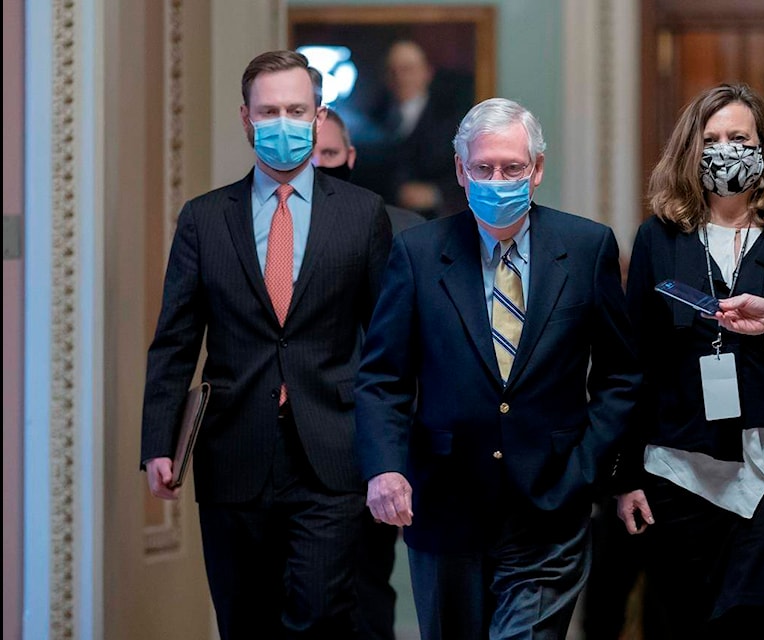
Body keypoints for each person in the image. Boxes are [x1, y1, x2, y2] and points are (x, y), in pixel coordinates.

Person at [354, 97, 642, 640]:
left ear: (537, 169)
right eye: (483, 168)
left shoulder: (585, 247)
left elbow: (619, 374)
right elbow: (383, 377)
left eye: (512, 167)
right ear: (461, 171)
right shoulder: (418, 253)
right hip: (446, 503)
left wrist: (588, 465)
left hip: (551, 504)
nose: (498, 179)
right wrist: (385, 467)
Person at [139, 50, 392, 638]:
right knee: (244, 620)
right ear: (247, 119)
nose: (283, 121)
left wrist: (392, 456)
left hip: (333, 451)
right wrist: (159, 443)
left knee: (321, 616)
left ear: (318, 115)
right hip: (233, 452)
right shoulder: (204, 219)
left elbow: (386, 348)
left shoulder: (362, 214)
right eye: (269, 110)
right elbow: (175, 341)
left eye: (296, 109)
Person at [613, 83, 764, 638]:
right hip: (680, 464)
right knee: (688, 621)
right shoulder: (658, 239)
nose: (726, 149)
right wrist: (625, 475)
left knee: (751, 619)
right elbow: (633, 363)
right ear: (690, 149)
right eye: (712, 138)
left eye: (739, 137)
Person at [307, 70, 423, 639]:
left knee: (367, 588)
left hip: (368, 444)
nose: (320, 162)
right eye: (311, 152)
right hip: (283, 447)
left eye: (331, 152)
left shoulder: (404, 233)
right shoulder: (256, 230)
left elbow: (417, 356)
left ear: (349, 157)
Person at [361, 40, 468, 219]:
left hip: (433, 221)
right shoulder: (372, 118)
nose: (400, 78)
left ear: (427, 72)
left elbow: (471, 172)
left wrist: (436, 194)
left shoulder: (452, 120)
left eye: (407, 69)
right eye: (392, 71)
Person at [312, 102, 426, 234]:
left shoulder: (402, 231)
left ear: (350, 158)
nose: (317, 164)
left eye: (330, 154)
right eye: (305, 154)